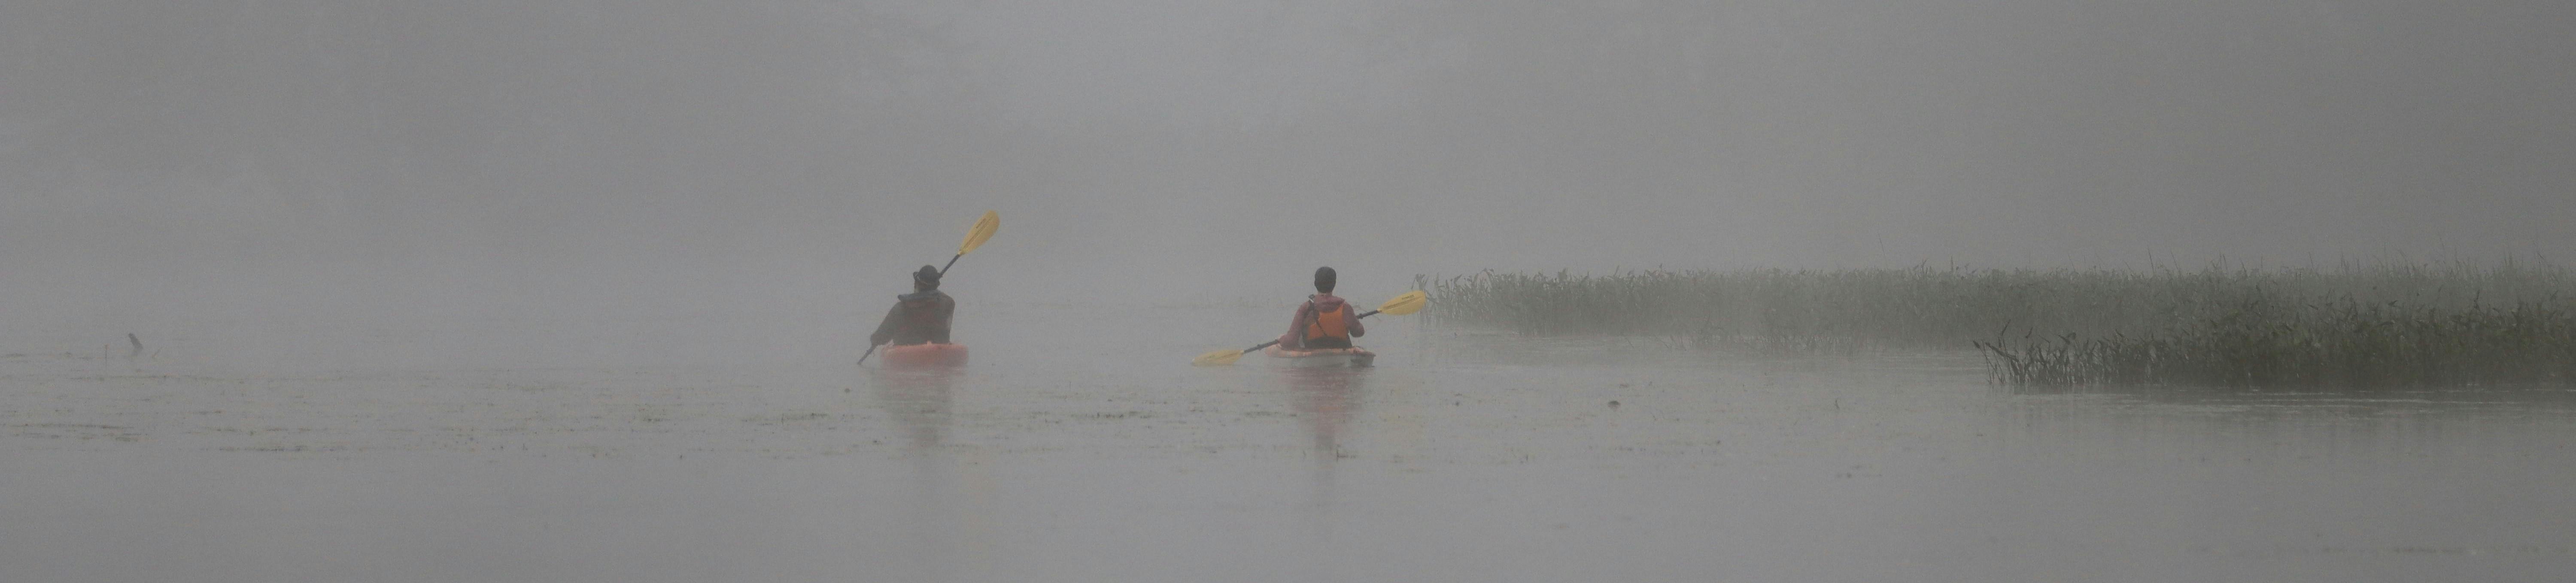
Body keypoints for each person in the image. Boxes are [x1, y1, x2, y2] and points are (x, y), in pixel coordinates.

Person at [1280, 266, 1364, 350]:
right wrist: (1354, 322)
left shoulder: (1306, 308)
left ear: (1315, 284)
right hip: (1341, 351)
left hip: (1313, 353)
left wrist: (1282, 339)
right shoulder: (1345, 307)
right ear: (1334, 284)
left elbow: (1291, 341)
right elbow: (1358, 333)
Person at [870, 266, 955, 347]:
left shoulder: (900, 308)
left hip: (906, 351)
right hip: (939, 350)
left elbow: (881, 338)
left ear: (916, 284)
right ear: (937, 285)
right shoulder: (947, 304)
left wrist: (875, 340)